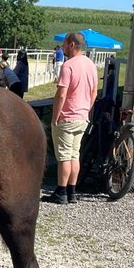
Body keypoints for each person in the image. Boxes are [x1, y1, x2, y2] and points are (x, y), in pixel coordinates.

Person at [44, 32, 97, 204]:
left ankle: (61, 191)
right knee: (75, 155)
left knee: (64, 156)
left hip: (67, 116)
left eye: (65, 44)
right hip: (82, 116)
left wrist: (55, 116)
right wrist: (86, 109)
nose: (64, 47)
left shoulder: (68, 66)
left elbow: (61, 94)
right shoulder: (91, 65)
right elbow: (94, 92)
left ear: (72, 44)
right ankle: (72, 191)